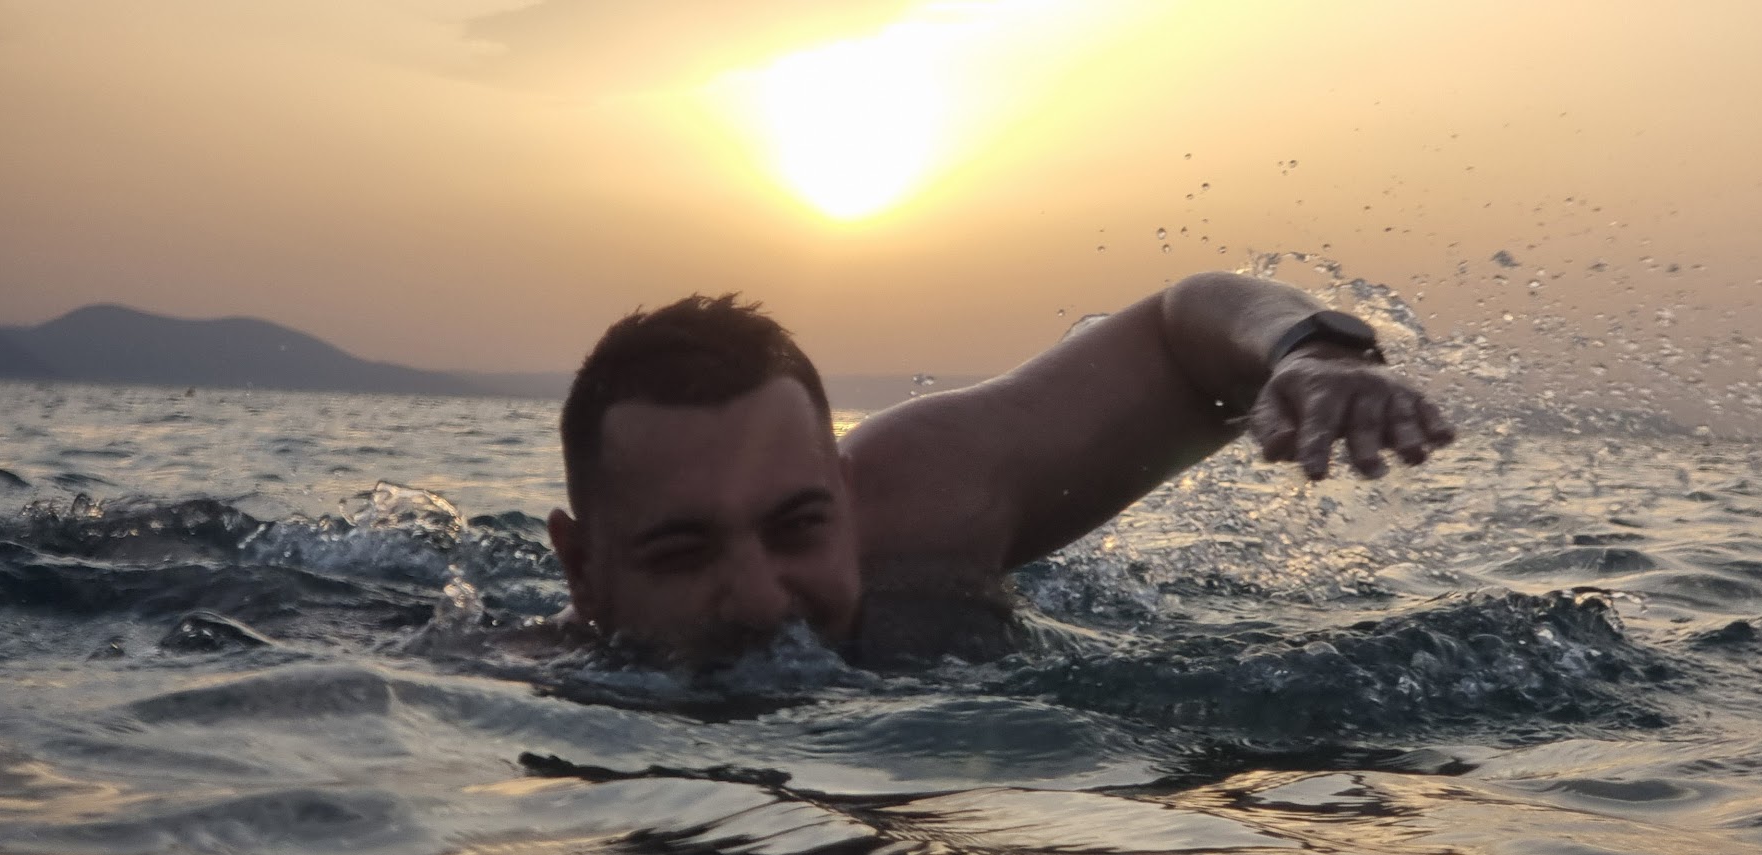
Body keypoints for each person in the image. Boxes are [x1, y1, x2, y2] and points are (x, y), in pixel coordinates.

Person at [545, 271, 1455, 668]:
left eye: (797, 527)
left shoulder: (927, 500)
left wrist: (1309, 352)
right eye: (684, 551)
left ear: (848, 493)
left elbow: (1180, 330)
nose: (758, 602)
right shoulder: (514, 683)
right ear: (582, 570)